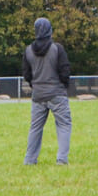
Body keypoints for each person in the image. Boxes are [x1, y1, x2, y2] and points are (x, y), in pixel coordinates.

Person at [22, 17, 72, 165]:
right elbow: (65, 71)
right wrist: (63, 85)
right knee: (64, 125)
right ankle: (62, 159)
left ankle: (30, 159)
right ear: (50, 31)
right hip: (57, 93)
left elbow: (26, 74)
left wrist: (35, 85)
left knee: (35, 128)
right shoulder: (57, 49)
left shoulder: (28, 51)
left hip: (38, 95)